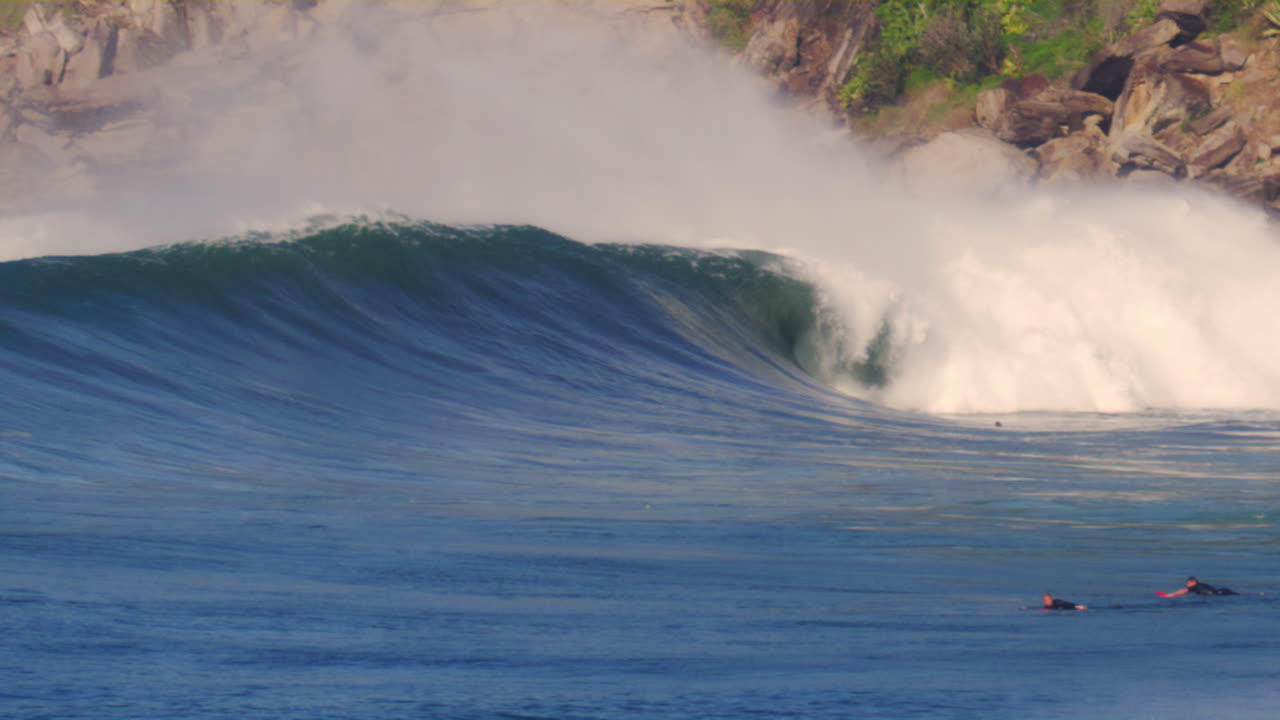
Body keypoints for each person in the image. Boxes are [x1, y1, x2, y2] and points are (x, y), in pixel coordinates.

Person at [1161, 576, 1238, 597]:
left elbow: (1183, 591)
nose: (1187, 585)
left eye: (1188, 583)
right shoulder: (1202, 584)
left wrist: (1170, 595)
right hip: (1222, 591)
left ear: (1193, 582)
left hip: (1218, 595)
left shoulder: (1195, 586)